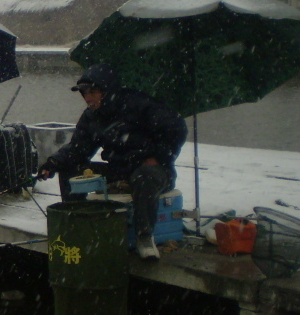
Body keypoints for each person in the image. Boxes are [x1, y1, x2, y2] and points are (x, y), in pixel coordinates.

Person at [36, 63, 188, 261]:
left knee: (144, 177)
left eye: (93, 92)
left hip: (154, 169)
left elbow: (176, 128)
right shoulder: (91, 117)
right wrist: (52, 164)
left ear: (107, 91)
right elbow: (78, 149)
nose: (88, 98)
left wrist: (159, 157)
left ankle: (144, 237)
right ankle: (76, 223)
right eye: (84, 93)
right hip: (118, 169)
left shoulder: (140, 105)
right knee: (71, 169)